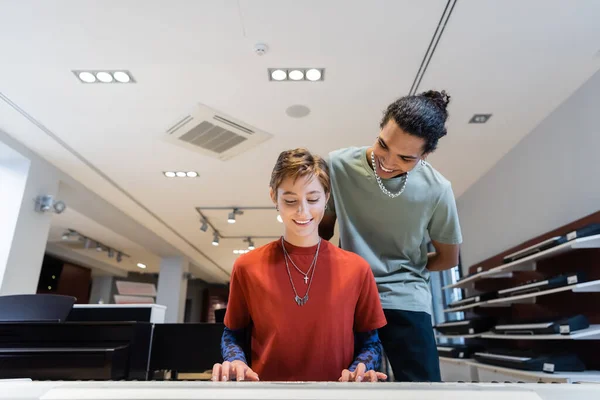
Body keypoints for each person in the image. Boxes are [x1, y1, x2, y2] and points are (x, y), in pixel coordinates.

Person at [318, 90, 462, 382]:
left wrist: (408, 267)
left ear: (426, 154)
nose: (387, 161)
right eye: (383, 144)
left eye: (406, 158)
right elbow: (321, 236)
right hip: (350, 298)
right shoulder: (338, 166)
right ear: (380, 127)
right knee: (346, 388)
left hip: (407, 300)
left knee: (424, 391)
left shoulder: (437, 189)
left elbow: (448, 259)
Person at [212, 148, 388, 382]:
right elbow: (232, 334)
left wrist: (361, 367)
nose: (302, 211)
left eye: (313, 199)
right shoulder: (247, 266)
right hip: (266, 393)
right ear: (274, 197)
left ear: (327, 197)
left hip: (336, 395)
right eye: (290, 200)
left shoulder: (357, 268)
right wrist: (235, 361)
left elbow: (371, 341)